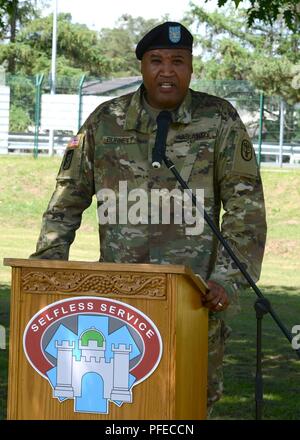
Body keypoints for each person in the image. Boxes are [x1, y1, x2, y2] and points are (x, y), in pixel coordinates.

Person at [30, 22, 267, 414]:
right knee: (118, 405)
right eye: (156, 61)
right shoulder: (106, 120)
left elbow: (246, 211)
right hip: (118, 303)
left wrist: (226, 280)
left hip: (194, 301)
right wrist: (45, 269)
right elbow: (66, 200)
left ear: (191, 67)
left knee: (188, 405)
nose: (167, 71)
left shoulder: (219, 120)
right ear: (142, 66)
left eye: (178, 61)